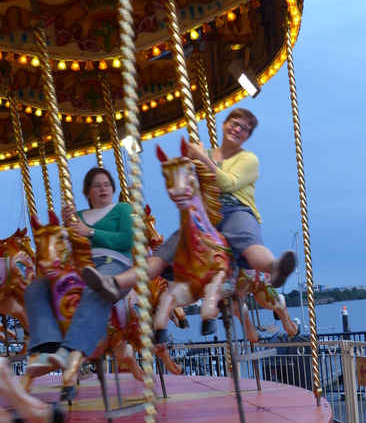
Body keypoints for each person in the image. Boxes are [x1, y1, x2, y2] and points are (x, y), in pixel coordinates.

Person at [82, 108, 295, 303]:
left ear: (247, 136)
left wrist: (202, 157)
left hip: (235, 210)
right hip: (203, 217)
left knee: (248, 242)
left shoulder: (248, 159)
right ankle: (114, 283)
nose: (237, 129)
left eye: (244, 129)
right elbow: (187, 182)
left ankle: (274, 268)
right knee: (161, 255)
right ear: (224, 124)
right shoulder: (206, 154)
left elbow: (227, 183)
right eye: (234, 123)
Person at [25, 167, 133, 396]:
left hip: (115, 264)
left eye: (106, 184)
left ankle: (72, 349)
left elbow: (128, 239)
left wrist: (90, 232)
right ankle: (47, 346)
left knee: (96, 288)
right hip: (82, 268)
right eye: (96, 185)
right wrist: (66, 228)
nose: (102, 188)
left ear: (113, 189)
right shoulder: (79, 217)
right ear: (87, 192)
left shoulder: (122, 209)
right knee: (36, 288)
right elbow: (67, 246)